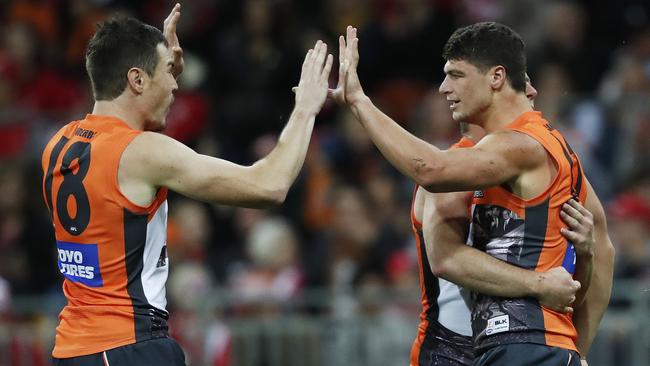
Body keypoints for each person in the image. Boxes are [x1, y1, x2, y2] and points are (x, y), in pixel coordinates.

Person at [41, 4, 333, 365]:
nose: (177, 83)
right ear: (136, 80)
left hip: (72, 349)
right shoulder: (143, 153)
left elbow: (120, 141)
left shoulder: (59, 145)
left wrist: (161, 69)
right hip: (130, 346)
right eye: (169, 72)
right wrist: (305, 108)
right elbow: (269, 185)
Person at [330, 23, 614, 366]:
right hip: (500, 348)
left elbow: (431, 174)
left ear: (497, 78)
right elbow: (597, 246)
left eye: (456, 75)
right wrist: (576, 346)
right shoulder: (558, 154)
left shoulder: (518, 146)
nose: (443, 88)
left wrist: (360, 102)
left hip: (514, 347)